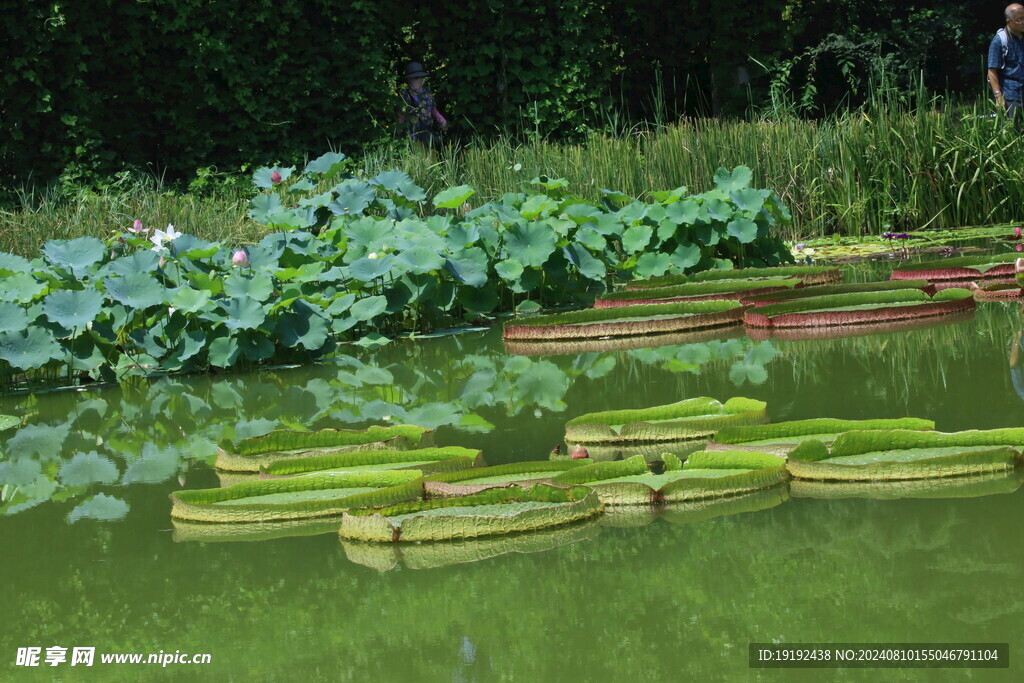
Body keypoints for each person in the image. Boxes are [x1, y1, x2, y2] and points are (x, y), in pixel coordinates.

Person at [988, 5, 1024, 127]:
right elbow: (992, 71)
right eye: (1020, 19)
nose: (1023, 22)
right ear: (1008, 21)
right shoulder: (999, 41)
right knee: (1013, 134)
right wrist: (998, 96)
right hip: (1011, 97)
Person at [397, 61, 447, 149]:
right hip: (412, 137)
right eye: (410, 79)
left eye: (416, 78)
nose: (412, 81)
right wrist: (398, 134)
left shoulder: (427, 92)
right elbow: (400, 116)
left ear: (422, 78)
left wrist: (440, 118)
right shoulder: (404, 94)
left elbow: (433, 110)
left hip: (428, 135)